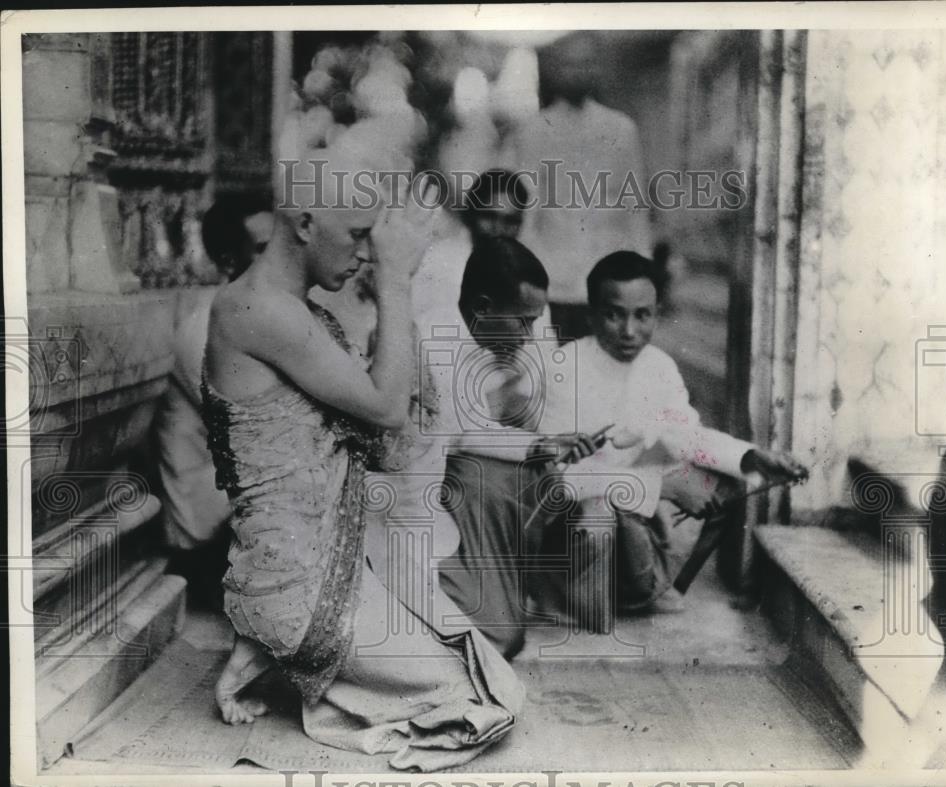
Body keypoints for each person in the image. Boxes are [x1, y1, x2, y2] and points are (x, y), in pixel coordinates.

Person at [201, 121, 521, 770]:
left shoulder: (306, 312)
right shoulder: (259, 311)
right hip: (296, 581)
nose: (365, 257)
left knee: (486, 665)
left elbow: (385, 438)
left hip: (333, 558)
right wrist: (398, 285)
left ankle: (269, 654)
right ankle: (276, 647)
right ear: (306, 223)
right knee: (471, 703)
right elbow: (383, 406)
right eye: (356, 236)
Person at [535, 251, 809, 627]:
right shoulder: (562, 369)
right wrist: (662, 488)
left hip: (628, 505)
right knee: (599, 513)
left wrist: (754, 457)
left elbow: (686, 436)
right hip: (579, 520)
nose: (629, 331)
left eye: (642, 315)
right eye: (614, 314)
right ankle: (584, 597)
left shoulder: (658, 366)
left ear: (657, 314)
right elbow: (557, 482)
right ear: (592, 314)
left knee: (723, 482)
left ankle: (668, 588)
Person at [430, 236, 605, 658]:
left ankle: (512, 587)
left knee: (539, 475)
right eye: (523, 322)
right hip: (421, 504)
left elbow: (476, 429)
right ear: (484, 307)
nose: (529, 336)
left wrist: (548, 445)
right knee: (501, 638)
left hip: (464, 491)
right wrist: (542, 446)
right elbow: (462, 435)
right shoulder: (435, 345)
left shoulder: (487, 341)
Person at [156, 192, 272, 607]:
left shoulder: (254, 319)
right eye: (261, 250)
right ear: (226, 261)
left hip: (241, 520)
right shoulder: (203, 329)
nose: (277, 261)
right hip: (208, 542)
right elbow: (262, 432)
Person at [500, 31, 652, 343]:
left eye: (586, 64)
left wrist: (643, 273)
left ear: (598, 68)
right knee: (560, 374)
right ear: (554, 70)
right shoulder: (533, 131)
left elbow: (635, 208)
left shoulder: (621, 129)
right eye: (569, 64)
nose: (578, 72)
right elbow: (525, 210)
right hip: (554, 280)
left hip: (609, 280)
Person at [412, 168, 553, 342]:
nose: (498, 230)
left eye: (510, 221)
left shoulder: (526, 272)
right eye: (489, 217)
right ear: (470, 214)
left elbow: (544, 346)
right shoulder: (435, 261)